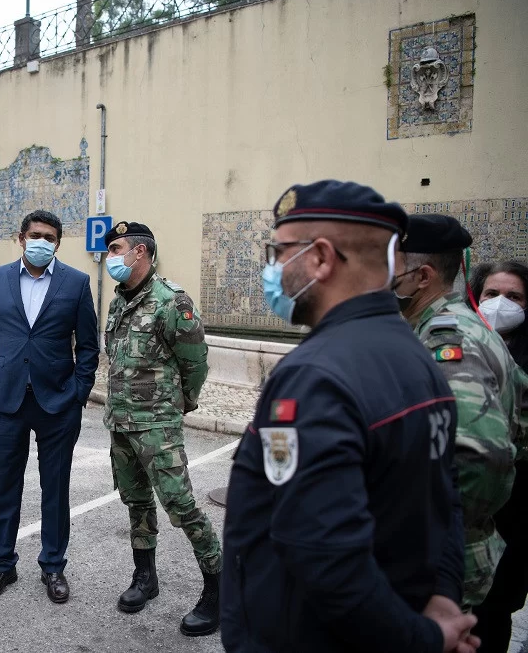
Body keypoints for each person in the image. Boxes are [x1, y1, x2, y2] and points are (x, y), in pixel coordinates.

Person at [221, 181, 478, 653]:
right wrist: (442, 594)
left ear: (320, 258)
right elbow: (446, 501)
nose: (272, 269)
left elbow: (323, 554)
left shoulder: (316, 376)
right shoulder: (419, 355)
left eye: (279, 253)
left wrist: (422, 637)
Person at [0, 210, 100, 604]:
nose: (42, 241)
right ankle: (2, 564)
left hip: (57, 404)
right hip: (6, 403)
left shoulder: (76, 283)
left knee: (55, 489)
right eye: (35, 235)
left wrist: (78, 393)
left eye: (50, 237)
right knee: (5, 487)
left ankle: (54, 566)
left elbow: (89, 347)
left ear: (58, 243)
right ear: (21, 237)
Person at [394, 215, 523, 610]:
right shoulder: (453, 326)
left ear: (423, 275)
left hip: (441, 570)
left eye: (389, 266)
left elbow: (479, 457)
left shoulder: (448, 339)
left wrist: (431, 536)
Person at [102, 220, 220, 636]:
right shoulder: (118, 303)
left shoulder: (172, 302)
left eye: (116, 248)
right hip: (121, 424)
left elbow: (195, 362)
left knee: (182, 506)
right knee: (137, 503)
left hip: (157, 427)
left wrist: (182, 402)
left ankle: (218, 589)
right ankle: (145, 578)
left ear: (141, 252)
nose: (109, 257)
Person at [467, 260, 528, 652]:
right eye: (492, 294)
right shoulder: (458, 344)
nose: (500, 303)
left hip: (517, 504)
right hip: (467, 508)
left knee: (495, 608)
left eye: (514, 296)